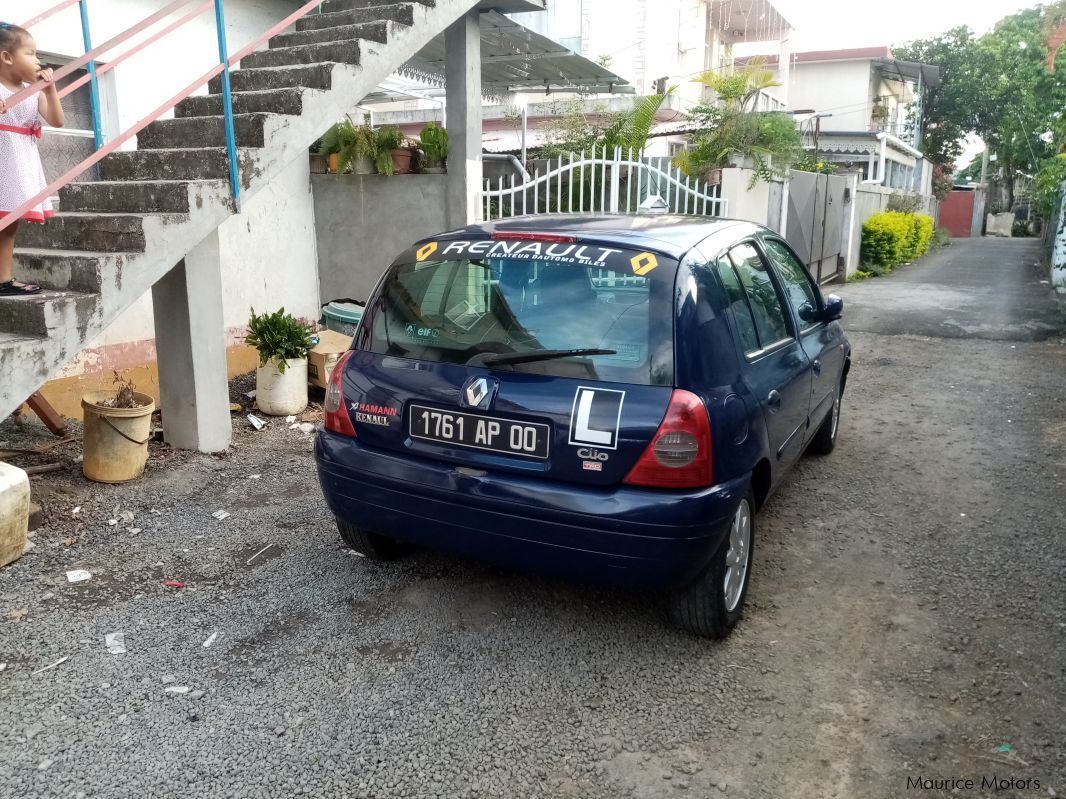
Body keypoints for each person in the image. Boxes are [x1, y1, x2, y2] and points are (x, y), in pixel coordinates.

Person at [0, 22, 65, 296]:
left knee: (9, 224)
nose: (37, 60)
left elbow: (57, 121)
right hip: (3, 160)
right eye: (31, 53)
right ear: (7, 57)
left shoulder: (32, 90)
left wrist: (49, 89)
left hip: (20, 163)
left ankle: (3, 280)